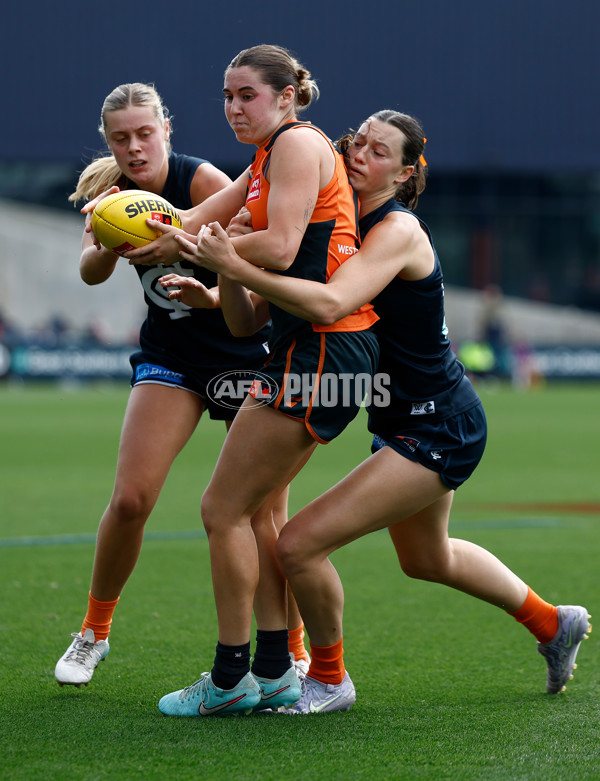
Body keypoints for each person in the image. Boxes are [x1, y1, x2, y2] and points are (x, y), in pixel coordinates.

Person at [164, 110, 592, 713]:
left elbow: (331, 301)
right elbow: (253, 315)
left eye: (379, 151)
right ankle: (553, 623)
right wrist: (223, 286)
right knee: (427, 558)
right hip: (398, 419)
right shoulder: (334, 219)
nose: (359, 154)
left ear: (406, 172)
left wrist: (231, 259)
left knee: (298, 545)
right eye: (358, 142)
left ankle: (329, 678)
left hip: (439, 421)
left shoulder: (397, 231)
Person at [140, 44, 380, 717]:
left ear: (286, 96)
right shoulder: (265, 160)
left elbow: (278, 246)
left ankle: (230, 679)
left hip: (327, 350)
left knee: (222, 510)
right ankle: (274, 671)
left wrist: (200, 247)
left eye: (246, 94)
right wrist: (191, 267)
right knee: (259, 512)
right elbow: (239, 306)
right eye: (226, 95)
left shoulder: (297, 144)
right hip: (306, 348)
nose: (233, 107)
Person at [53, 82, 307, 689]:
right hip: (172, 357)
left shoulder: (202, 182)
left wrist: (194, 256)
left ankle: (293, 651)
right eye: (121, 138)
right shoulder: (110, 194)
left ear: (166, 129)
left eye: (145, 133)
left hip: (245, 355)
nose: (135, 147)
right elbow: (89, 273)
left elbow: (260, 259)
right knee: (131, 498)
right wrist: (109, 236)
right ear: (108, 141)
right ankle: (93, 632)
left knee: (265, 517)